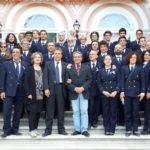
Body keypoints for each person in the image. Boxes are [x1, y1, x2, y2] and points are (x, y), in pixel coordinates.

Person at [0, 46, 28, 138]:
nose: (15, 54)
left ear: (21, 54)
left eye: (17, 52)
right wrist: (2, 90)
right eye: (14, 52)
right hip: (8, 91)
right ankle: (7, 130)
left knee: (18, 111)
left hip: (21, 91)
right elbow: (2, 78)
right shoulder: (5, 64)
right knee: (6, 111)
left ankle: (15, 129)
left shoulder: (26, 64)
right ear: (12, 54)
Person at [43, 48, 68, 136]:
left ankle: (61, 129)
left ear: (61, 55)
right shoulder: (48, 64)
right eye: (55, 53)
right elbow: (45, 77)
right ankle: (48, 129)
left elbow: (68, 77)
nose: (57, 55)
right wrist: (46, 88)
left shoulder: (66, 65)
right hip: (50, 89)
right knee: (49, 110)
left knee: (61, 110)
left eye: (59, 53)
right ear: (53, 54)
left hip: (61, 88)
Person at [66, 51, 92, 137]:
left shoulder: (87, 67)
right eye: (75, 57)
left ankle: (84, 130)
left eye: (78, 57)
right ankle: (77, 129)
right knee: (76, 111)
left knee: (84, 111)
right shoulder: (69, 68)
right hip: (74, 93)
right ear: (73, 58)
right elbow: (67, 81)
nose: (77, 58)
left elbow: (89, 80)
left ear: (81, 58)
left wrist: (82, 88)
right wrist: (75, 88)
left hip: (84, 92)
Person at [120, 52, 145, 136]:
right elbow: (122, 81)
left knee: (135, 112)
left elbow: (142, 81)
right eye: (131, 57)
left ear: (137, 59)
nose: (133, 59)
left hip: (136, 93)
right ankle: (128, 129)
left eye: (135, 57)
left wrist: (142, 92)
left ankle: (135, 129)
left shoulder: (140, 68)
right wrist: (122, 91)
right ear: (128, 59)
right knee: (127, 112)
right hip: (127, 93)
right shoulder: (124, 68)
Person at [98, 55, 120, 135]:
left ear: (111, 60)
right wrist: (103, 91)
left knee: (113, 112)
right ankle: (106, 129)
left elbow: (119, 81)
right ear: (104, 61)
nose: (107, 61)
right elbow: (99, 83)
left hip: (113, 94)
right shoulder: (101, 71)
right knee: (106, 112)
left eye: (109, 59)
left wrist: (116, 91)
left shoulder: (116, 70)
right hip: (104, 94)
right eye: (106, 59)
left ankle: (112, 129)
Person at [24, 52, 44, 137]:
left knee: (38, 112)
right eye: (36, 57)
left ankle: (35, 128)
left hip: (41, 94)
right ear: (33, 59)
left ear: (41, 59)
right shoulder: (29, 69)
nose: (37, 59)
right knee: (32, 112)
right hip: (32, 94)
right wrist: (28, 93)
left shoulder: (43, 68)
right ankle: (31, 129)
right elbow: (25, 82)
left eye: (39, 57)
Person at [87, 50, 102, 129]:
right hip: (88, 89)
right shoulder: (85, 65)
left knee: (96, 107)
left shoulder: (101, 65)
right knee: (90, 107)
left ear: (97, 56)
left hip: (98, 89)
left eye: (93, 54)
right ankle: (89, 121)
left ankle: (94, 121)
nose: (91, 55)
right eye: (90, 54)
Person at [141, 50, 150, 134]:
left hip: (147, 91)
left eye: (148, 55)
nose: (146, 56)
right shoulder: (140, 65)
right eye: (145, 54)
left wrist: (149, 91)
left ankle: (147, 128)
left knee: (148, 111)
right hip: (140, 91)